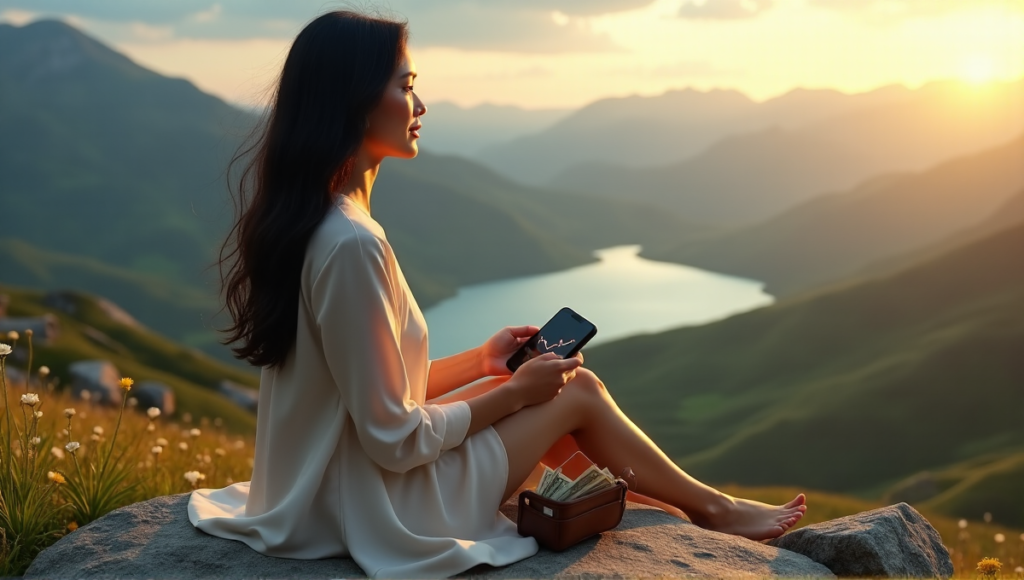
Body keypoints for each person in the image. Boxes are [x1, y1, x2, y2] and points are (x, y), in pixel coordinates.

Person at [188, 8, 807, 579]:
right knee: (577, 391)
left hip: (326, 489)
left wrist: (480, 366)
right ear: (351, 101)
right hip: (376, 505)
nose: (420, 103)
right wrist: (513, 391)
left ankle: (673, 502)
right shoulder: (351, 244)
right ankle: (714, 511)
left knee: (540, 389)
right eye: (405, 86)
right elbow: (393, 439)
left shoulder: (312, 224)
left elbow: (365, 399)